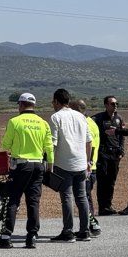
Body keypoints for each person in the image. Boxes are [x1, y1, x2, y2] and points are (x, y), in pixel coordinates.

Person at [0, 92, 53, 249]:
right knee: (33, 201)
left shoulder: (14, 122)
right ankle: (32, 236)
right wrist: (50, 164)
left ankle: (5, 237)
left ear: (22, 105)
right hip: (38, 166)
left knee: (12, 200)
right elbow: (49, 147)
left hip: (20, 166)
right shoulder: (43, 123)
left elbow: (5, 144)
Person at [48, 88, 93, 242]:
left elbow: (52, 143)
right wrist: (88, 161)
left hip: (64, 164)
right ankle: (84, 230)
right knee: (82, 197)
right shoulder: (81, 116)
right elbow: (89, 141)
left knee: (67, 197)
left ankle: (68, 231)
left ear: (56, 101)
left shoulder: (55, 118)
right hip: (81, 163)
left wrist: (50, 164)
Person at [70, 99, 101, 236]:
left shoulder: (84, 123)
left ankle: (93, 225)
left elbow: (91, 146)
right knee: (85, 197)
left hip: (87, 167)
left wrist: (86, 163)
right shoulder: (92, 122)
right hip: (91, 166)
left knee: (84, 198)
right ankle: (91, 225)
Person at [91, 96, 125, 215]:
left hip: (115, 154)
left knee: (111, 181)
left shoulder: (119, 118)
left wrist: (121, 150)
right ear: (106, 105)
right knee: (102, 181)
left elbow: (121, 136)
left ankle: (108, 206)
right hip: (103, 154)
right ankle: (102, 207)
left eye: (116, 103)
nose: (115, 106)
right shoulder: (98, 118)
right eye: (112, 104)